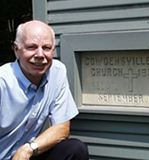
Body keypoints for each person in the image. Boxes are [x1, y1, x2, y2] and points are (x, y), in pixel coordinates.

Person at [0, 20, 89, 160]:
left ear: (53, 51)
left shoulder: (57, 72)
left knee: (75, 149)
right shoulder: (2, 82)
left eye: (46, 48)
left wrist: (29, 149)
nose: (40, 55)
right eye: (31, 47)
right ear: (17, 50)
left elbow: (62, 128)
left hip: (27, 154)